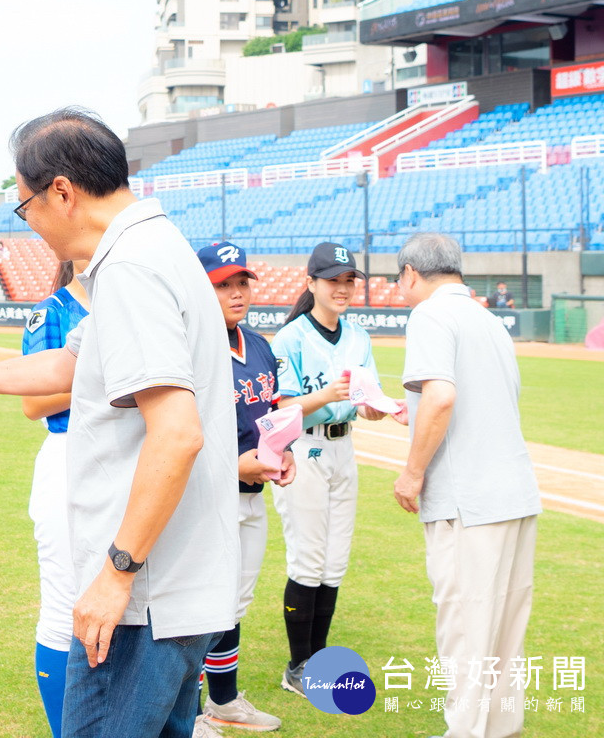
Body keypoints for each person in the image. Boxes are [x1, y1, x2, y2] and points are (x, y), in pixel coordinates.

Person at [0, 108, 239, 738]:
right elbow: (71, 364)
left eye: (25, 205)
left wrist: (117, 574)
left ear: (62, 192)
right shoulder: (153, 248)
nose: (29, 222)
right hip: (175, 589)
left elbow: (177, 433)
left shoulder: (129, 269)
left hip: (145, 597)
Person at [393, 233, 541, 738]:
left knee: (467, 630)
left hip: (470, 501)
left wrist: (412, 473)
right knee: (504, 632)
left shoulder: (430, 315)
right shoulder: (488, 319)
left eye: (400, 280)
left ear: (411, 273)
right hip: (515, 492)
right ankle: (501, 729)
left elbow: (440, 399)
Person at [270, 241, 396, 697]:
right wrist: (329, 396)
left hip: (344, 449)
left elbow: (365, 400)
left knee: (334, 561)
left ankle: (318, 660)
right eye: (332, 280)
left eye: (349, 280)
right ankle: (297, 666)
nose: (342, 288)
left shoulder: (358, 336)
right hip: (303, 449)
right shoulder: (290, 338)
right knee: (307, 557)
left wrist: (378, 409)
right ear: (311, 284)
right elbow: (281, 407)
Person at [195, 241, 297, 734]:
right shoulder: (193, 345)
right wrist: (234, 464)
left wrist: (286, 453)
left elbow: (272, 417)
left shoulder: (258, 345)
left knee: (234, 601)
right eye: (222, 285)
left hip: (254, 494)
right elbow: (181, 430)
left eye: (241, 283)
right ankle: (188, 712)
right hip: (208, 494)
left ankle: (224, 700)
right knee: (198, 602)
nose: (236, 294)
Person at [20, 258, 89, 738]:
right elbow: (34, 401)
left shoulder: (129, 304)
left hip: (125, 458)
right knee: (65, 601)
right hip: (69, 454)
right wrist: (104, 379)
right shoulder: (54, 311)